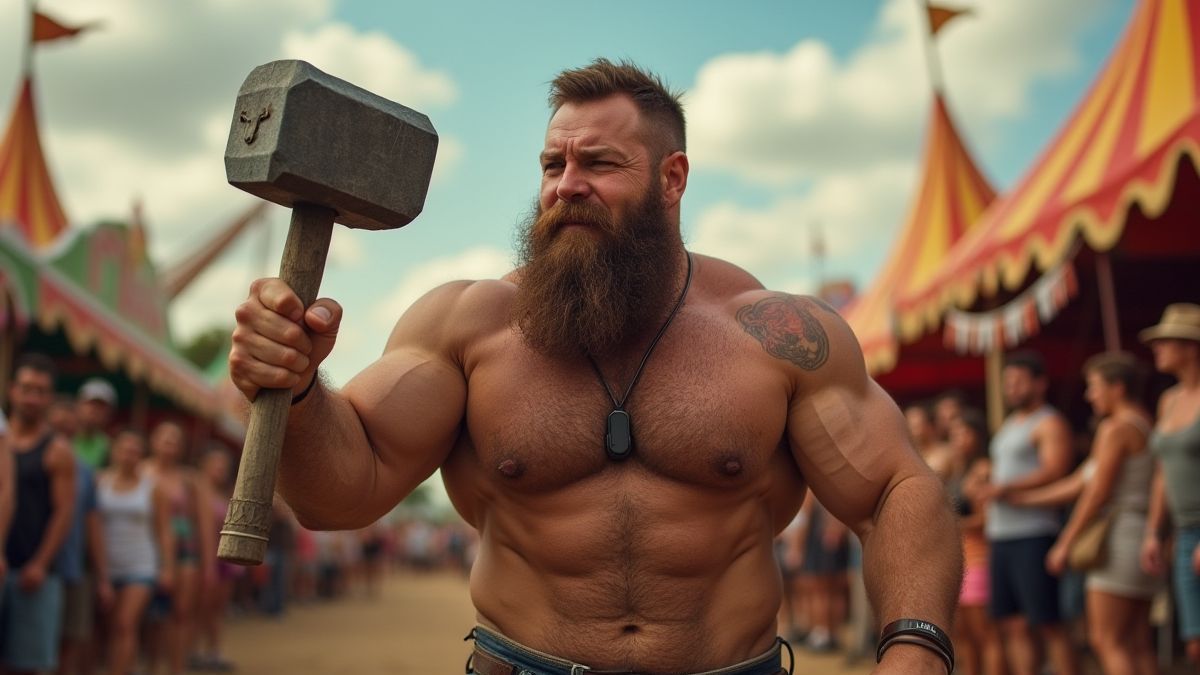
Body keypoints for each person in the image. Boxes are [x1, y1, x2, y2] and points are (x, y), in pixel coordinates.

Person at [229, 58, 962, 674]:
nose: (566, 185)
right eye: (554, 164)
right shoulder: (469, 325)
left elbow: (896, 488)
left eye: (600, 163)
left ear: (672, 179)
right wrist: (296, 391)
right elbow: (340, 493)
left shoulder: (775, 333)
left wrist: (916, 645)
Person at [1009, 352, 1160, 675]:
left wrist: (1066, 541)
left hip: (1118, 538)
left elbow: (1096, 492)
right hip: (1141, 534)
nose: (1089, 395)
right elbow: (1080, 481)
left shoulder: (1115, 428)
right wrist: (1024, 499)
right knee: (1137, 641)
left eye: (1094, 386)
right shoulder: (1144, 421)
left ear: (1117, 388)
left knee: (1106, 640)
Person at [983, 350, 1078, 675]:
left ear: (1040, 384)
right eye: (1008, 382)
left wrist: (1006, 488)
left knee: (1048, 623)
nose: (1011, 388)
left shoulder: (1049, 421)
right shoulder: (1010, 424)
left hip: (1034, 532)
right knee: (1013, 624)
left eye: (1019, 381)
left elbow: (1056, 469)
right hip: (1002, 533)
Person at [1, 354, 77, 674]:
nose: (32, 397)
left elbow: (63, 513)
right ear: (11, 390)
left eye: (41, 391)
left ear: (49, 398)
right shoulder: (2, 442)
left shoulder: (57, 450)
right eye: (27, 388)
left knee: (27, 664)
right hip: (2, 564)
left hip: (33, 573)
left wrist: (40, 564)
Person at [1138, 303, 1200, 665]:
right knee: (1193, 642)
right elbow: (1162, 471)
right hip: (1183, 532)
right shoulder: (1169, 400)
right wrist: (1152, 532)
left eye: (1166, 341)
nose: (1157, 348)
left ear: (1191, 346)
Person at [97, 430, 174, 675]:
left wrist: (167, 567)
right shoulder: (101, 482)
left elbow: (164, 530)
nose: (129, 456)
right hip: (106, 566)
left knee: (125, 625)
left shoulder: (153, 489)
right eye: (125, 450)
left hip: (141, 564)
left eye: (135, 451)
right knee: (107, 629)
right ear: (114, 451)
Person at [142, 421, 214, 675]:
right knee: (151, 617)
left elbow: (204, 525)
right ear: (153, 441)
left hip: (186, 551)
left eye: (175, 441)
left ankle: (177, 667)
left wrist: (209, 567)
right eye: (165, 439)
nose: (169, 445)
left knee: (182, 613)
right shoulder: (142, 472)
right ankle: (150, 667)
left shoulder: (190, 480)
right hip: (146, 548)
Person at [946, 409, 1005, 675]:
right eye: (955, 433)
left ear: (978, 436)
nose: (958, 438)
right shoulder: (959, 469)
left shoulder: (982, 469)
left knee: (985, 634)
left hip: (979, 556)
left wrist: (951, 525)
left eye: (964, 433)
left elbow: (987, 518)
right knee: (966, 635)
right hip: (962, 557)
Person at [73, 379, 116, 470]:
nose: (95, 410)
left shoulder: (109, 448)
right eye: (91, 404)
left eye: (101, 406)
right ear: (78, 405)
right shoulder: (62, 438)